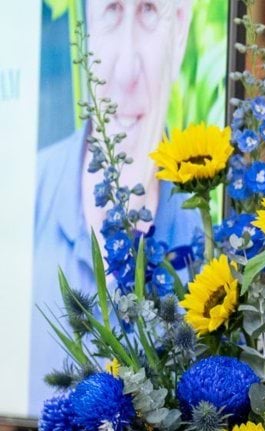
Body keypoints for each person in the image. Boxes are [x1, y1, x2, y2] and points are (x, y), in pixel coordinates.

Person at [29, 0, 202, 407]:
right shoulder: (24, 195)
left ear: (179, 29)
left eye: (147, 11)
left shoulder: (220, 225)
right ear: (83, 34)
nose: (126, 71)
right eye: (110, 12)